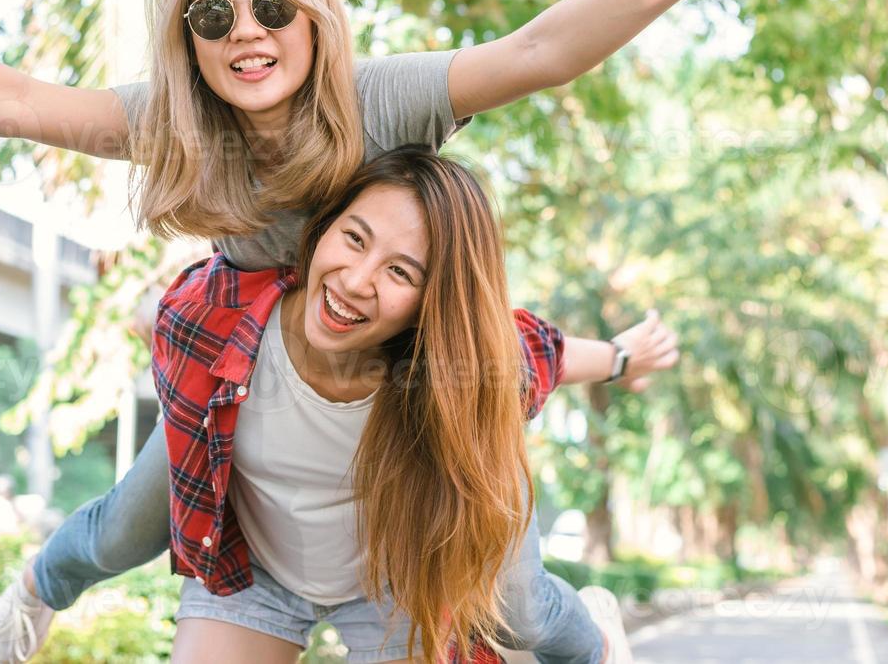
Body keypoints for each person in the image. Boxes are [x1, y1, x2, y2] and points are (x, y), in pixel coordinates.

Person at [0, 0, 803, 662]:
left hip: (410, 412)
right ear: (186, 34)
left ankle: (592, 631)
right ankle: (36, 589)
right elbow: (10, 101)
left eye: (271, 4)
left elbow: (540, 51)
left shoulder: (383, 98)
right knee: (131, 521)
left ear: (313, 10)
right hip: (253, 389)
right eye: (213, 12)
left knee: (515, 599)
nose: (248, 31)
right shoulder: (181, 125)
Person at [154, 145, 652, 664]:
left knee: (524, 612)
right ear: (324, 227)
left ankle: (597, 644)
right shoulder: (212, 320)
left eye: (400, 273)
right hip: (255, 571)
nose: (355, 281)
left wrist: (620, 359)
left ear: (429, 305)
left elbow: (548, 351)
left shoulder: (456, 370)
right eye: (353, 239)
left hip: (392, 586)